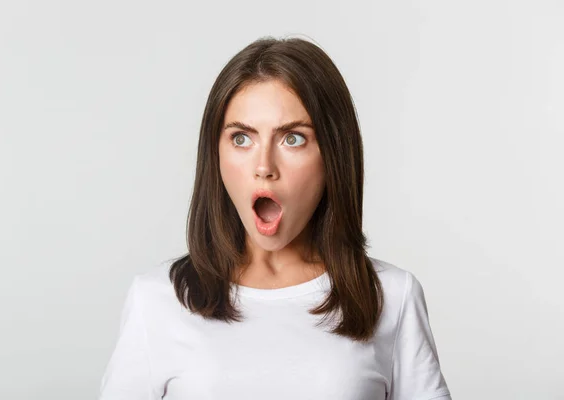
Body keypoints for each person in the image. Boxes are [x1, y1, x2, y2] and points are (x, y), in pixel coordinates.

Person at [98, 36, 451, 400]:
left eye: (293, 139)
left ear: (333, 155)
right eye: (241, 139)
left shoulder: (391, 296)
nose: (264, 167)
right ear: (215, 154)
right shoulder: (157, 299)